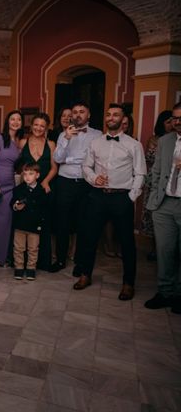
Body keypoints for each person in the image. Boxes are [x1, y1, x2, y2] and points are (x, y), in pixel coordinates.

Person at [73, 104, 146, 300]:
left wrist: (130, 197)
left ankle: (128, 283)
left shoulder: (133, 145)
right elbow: (86, 166)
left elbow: (140, 173)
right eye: (108, 114)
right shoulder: (96, 143)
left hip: (122, 197)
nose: (111, 117)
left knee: (127, 243)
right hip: (98, 196)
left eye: (116, 115)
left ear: (123, 120)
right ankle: (85, 275)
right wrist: (93, 178)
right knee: (89, 238)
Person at [51, 100, 102, 272]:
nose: (77, 114)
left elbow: (94, 161)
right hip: (64, 182)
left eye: (82, 111)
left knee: (83, 224)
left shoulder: (97, 135)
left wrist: (70, 160)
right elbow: (58, 159)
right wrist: (66, 138)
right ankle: (60, 260)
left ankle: (80, 263)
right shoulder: (63, 135)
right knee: (62, 223)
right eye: (75, 112)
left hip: (86, 184)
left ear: (88, 115)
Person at [144, 102, 181, 314]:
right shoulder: (165, 141)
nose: (177, 122)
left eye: (180, 118)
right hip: (164, 203)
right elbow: (156, 171)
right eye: (175, 118)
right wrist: (154, 197)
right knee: (165, 251)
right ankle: (165, 292)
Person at [0, 110, 24, 266]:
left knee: (6, 224)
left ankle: (2, 257)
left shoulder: (19, 142)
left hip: (10, 187)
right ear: (7, 121)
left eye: (19, 120)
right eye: (12, 119)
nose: (15, 122)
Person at [19, 113, 57, 270]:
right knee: (26, 223)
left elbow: (55, 167)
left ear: (46, 127)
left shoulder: (51, 144)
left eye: (42, 125)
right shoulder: (22, 142)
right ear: (31, 125)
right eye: (36, 125)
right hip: (26, 188)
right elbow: (19, 166)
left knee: (44, 224)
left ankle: (42, 262)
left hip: (44, 188)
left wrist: (45, 181)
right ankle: (23, 261)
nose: (38, 128)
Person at [141, 110, 173, 261]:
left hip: (171, 182)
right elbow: (149, 158)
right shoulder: (154, 139)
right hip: (154, 181)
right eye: (168, 122)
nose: (172, 124)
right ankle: (155, 249)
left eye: (173, 121)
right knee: (154, 216)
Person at [11, 162, 49, 280]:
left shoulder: (41, 191)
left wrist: (41, 223)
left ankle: (31, 268)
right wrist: (16, 206)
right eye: (25, 174)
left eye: (31, 174)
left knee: (33, 249)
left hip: (34, 226)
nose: (27, 176)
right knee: (18, 248)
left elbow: (44, 209)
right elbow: (11, 203)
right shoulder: (18, 189)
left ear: (37, 175)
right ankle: (19, 267)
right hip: (20, 224)